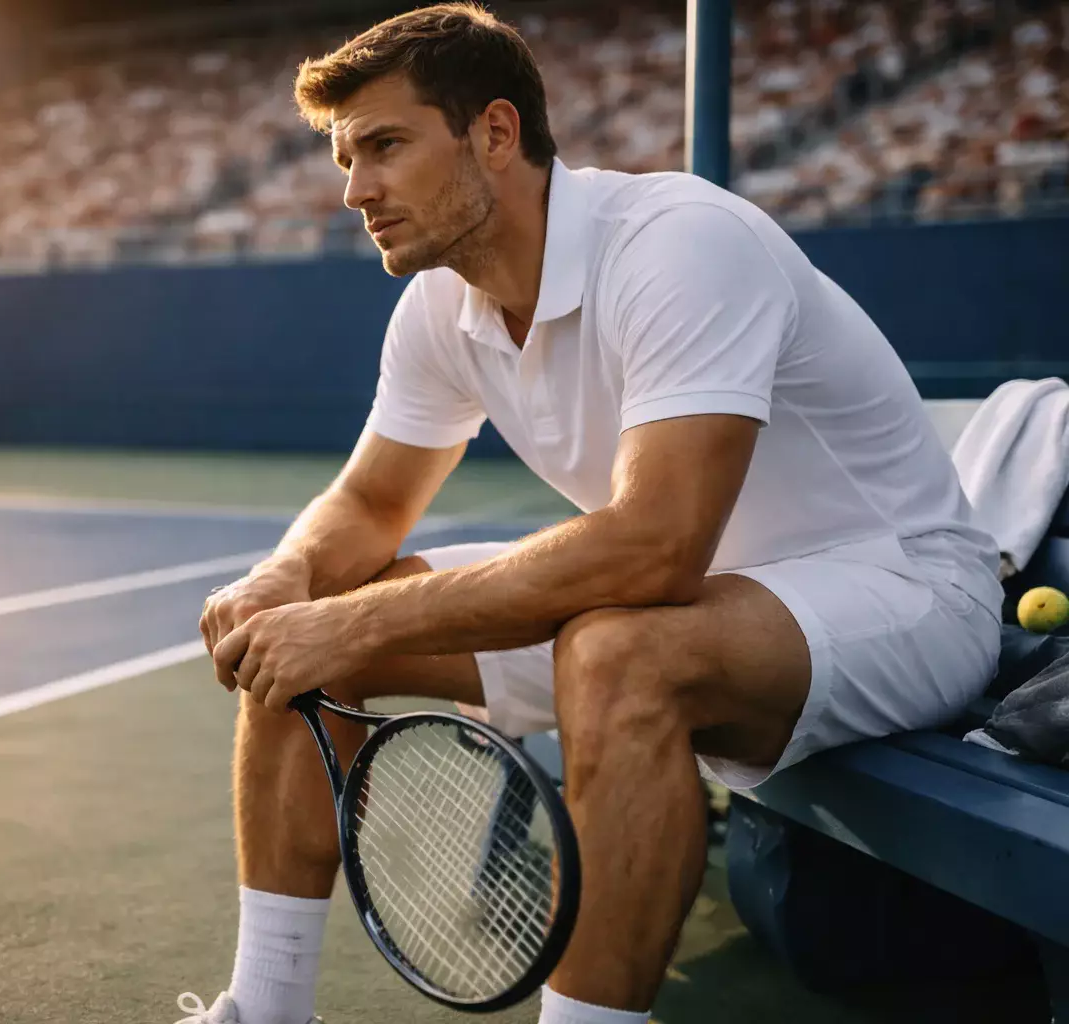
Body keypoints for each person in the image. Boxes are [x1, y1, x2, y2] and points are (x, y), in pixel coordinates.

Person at [178, 5, 1003, 1023]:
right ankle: (263, 1010)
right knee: (298, 627)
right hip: (702, 603)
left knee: (615, 653)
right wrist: (288, 579)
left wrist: (347, 619)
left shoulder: (677, 243)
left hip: (907, 590)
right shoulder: (443, 303)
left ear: (494, 132)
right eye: (347, 160)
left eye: (385, 146)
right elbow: (368, 501)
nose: (356, 192)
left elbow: (657, 544)